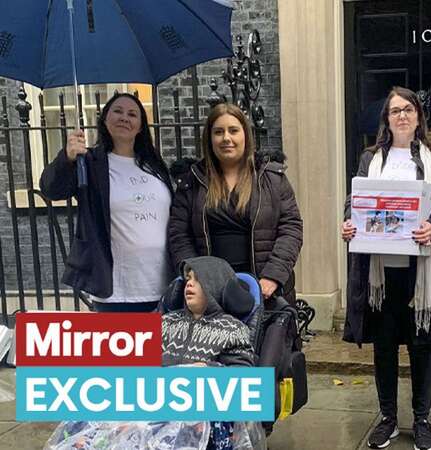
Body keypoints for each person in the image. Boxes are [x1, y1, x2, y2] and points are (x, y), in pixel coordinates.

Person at [341, 87, 431, 450]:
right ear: (386, 119)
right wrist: (348, 222)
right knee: (385, 346)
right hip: (380, 270)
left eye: (408, 109)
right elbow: (355, 201)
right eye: (395, 111)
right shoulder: (370, 157)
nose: (402, 116)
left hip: (420, 269)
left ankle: (421, 419)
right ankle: (388, 418)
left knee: (421, 346)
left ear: (418, 116)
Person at [40, 92, 173, 312]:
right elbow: (51, 189)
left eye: (132, 114)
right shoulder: (90, 163)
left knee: (160, 348)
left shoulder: (154, 165)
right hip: (117, 291)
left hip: (163, 285)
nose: (124, 117)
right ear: (104, 119)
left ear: (140, 126)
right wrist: (67, 158)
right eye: (117, 111)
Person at [168, 103, 303, 304]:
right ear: (209, 139)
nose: (226, 138)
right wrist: (195, 275)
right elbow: (178, 234)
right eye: (218, 132)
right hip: (209, 292)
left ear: (245, 135)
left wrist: (273, 276)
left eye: (233, 131)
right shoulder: (192, 182)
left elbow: (291, 228)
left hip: (264, 290)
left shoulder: (272, 178)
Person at [161, 256, 255, 367]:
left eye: (198, 279)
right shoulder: (166, 321)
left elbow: (243, 374)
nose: (189, 284)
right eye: (188, 279)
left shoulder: (233, 330)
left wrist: (208, 369)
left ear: (216, 286)